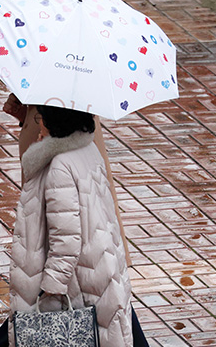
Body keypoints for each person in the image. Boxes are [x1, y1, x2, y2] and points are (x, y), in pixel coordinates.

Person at [8, 105, 133, 346]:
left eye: (40, 117)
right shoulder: (89, 149)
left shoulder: (60, 166)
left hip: (76, 289)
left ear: (56, 120)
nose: (39, 123)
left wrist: (47, 292)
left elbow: (66, 241)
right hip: (101, 273)